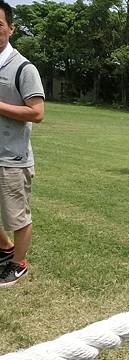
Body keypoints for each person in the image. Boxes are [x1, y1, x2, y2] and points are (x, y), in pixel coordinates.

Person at [0, 0, 45, 286]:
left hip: (12, 159)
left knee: (17, 216)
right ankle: (5, 249)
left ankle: (18, 263)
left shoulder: (23, 68)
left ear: (11, 29)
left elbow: (37, 112)